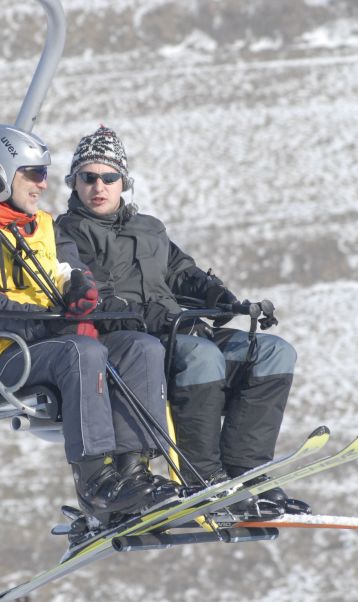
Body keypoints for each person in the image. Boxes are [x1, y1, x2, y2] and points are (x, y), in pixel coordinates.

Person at [0, 123, 174, 523]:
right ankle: (97, 484)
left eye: (44, 173)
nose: (42, 185)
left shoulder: (43, 226)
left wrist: (79, 289)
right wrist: (42, 316)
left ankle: (133, 474)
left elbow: (69, 268)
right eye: (33, 174)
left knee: (140, 347)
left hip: (43, 346)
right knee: (82, 350)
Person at [55, 125, 303, 514]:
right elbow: (87, 292)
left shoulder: (149, 229)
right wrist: (142, 313)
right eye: (88, 177)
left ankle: (247, 468)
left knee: (273, 353)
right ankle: (202, 477)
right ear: (74, 183)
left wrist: (221, 297)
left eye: (108, 177)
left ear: (124, 182)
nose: (98, 186)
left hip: (181, 329)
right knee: (203, 358)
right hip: (136, 342)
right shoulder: (65, 234)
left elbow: (181, 270)